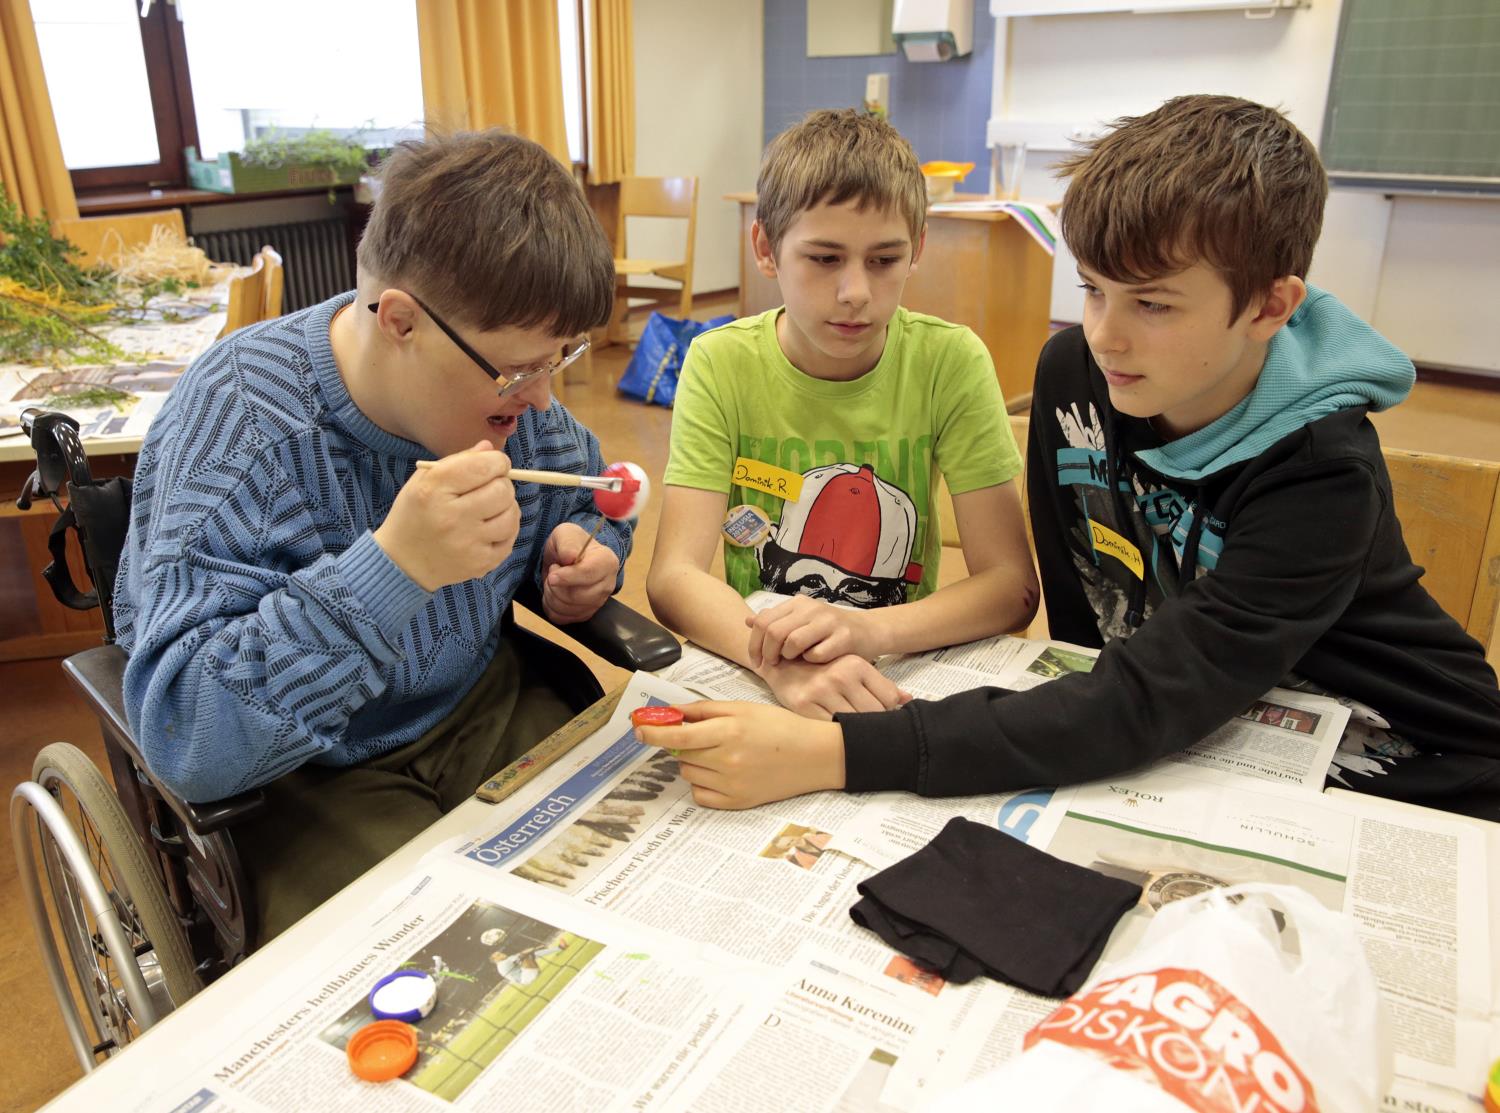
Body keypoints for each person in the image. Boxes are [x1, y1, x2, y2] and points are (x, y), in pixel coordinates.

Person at [637, 95, 1500, 820]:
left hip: (1416, 760)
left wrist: (840, 750)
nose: (1105, 334)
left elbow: (1135, 693)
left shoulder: (1320, 466)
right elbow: (1091, 632)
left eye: (1153, 304)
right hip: (1204, 729)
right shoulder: (1076, 377)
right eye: (1091, 288)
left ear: (1270, 305)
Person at [115, 130, 631, 941]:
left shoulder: (512, 405)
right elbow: (187, 732)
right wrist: (393, 569)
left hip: (479, 703)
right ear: (400, 321)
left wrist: (587, 560)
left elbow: (588, 497)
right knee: (436, 956)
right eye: (518, 371)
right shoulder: (238, 427)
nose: (539, 400)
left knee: (628, 882)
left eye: (557, 359)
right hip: (306, 771)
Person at [647, 109, 1038, 720]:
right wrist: (781, 658)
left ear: (918, 250)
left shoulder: (949, 361)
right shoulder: (720, 363)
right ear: (766, 249)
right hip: (757, 664)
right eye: (825, 259)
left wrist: (866, 631)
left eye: (884, 260)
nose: (856, 292)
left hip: (898, 662)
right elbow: (673, 576)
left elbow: (1011, 588)